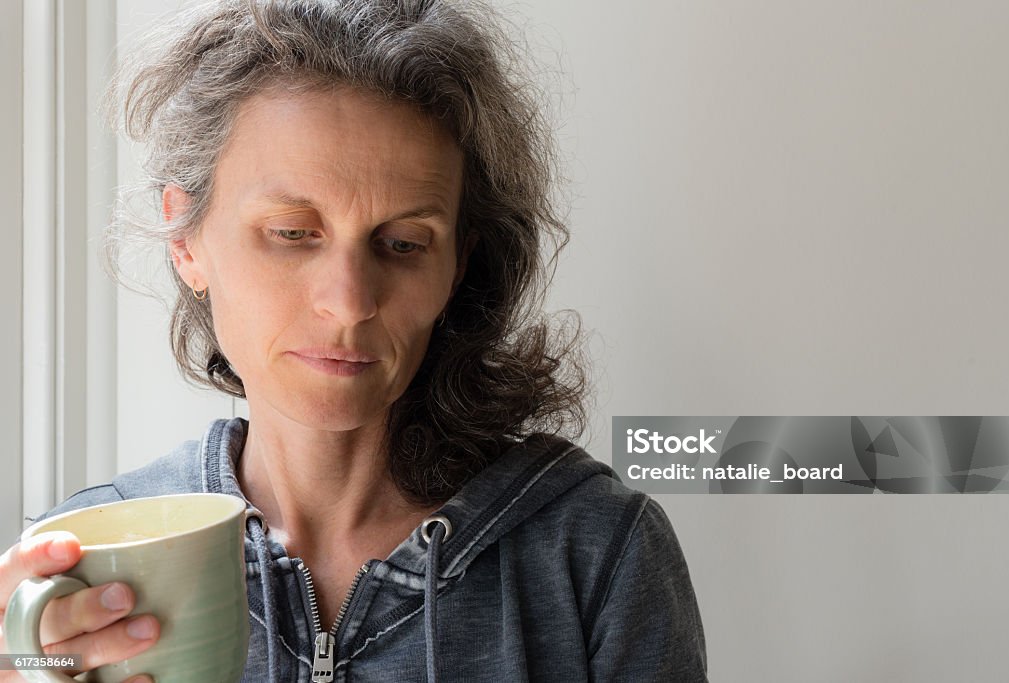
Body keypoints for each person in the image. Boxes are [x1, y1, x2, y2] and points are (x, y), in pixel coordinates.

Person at [0, 0, 708, 680]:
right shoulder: (87, 558)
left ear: (457, 262)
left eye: (402, 244)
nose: (348, 302)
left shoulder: (596, 554)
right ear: (186, 239)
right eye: (291, 234)